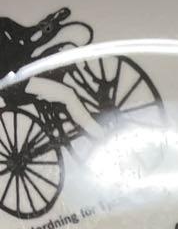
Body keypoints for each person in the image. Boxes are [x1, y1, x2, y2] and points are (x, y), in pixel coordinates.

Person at [0, 8, 103, 141]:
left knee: (65, 50)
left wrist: (50, 22)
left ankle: (84, 107)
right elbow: (27, 46)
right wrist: (46, 31)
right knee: (68, 94)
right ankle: (99, 133)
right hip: (17, 87)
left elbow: (27, 34)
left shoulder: (3, 23)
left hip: (27, 73)